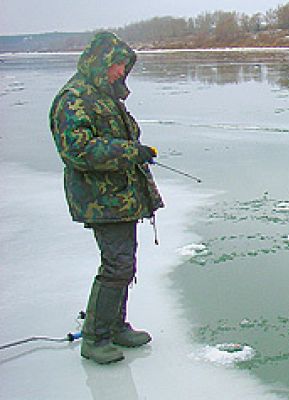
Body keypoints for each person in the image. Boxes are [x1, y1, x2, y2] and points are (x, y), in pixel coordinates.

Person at [49, 32, 164, 364]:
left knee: (124, 264)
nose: (119, 72)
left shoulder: (103, 95)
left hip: (120, 197)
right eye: (116, 65)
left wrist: (136, 152)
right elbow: (77, 151)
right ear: (99, 62)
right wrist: (131, 151)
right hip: (100, 199)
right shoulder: (74, 98)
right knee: (116, 265)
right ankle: (96, 338)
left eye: (123, 66)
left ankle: (115, 327)